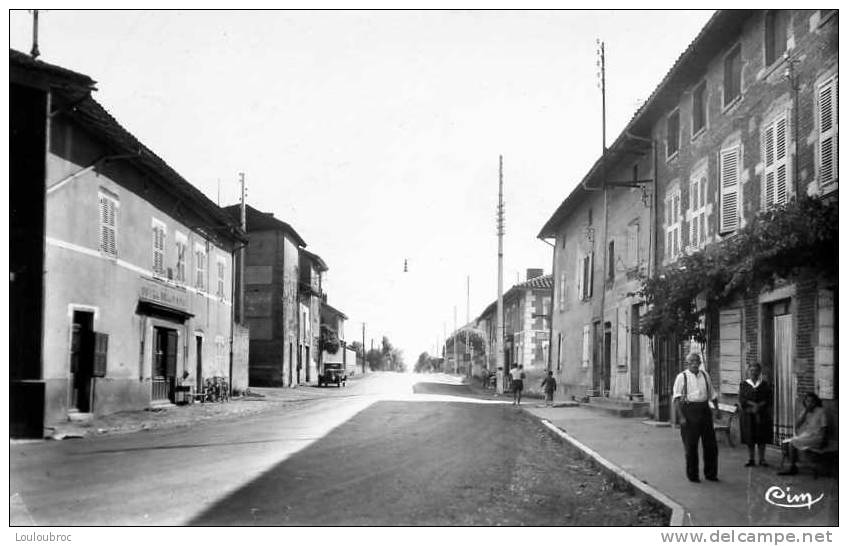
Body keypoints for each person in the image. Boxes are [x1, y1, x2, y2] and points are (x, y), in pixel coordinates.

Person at [672, 352, 719, 483]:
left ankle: (711, 474)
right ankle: (693, 475)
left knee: (710, 445)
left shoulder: (705, 375)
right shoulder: (681, 377)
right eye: (692, 361)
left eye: (697, 361)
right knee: (691, 445)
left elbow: (712, 394)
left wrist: (717, 410)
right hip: (689, 411)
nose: (695, 363)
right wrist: (681, 417)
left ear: (700, 363)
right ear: (687, 363)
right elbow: (676, 399)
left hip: (704, 410)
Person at [777, 392, 828, 476]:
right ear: (805, 402)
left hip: (817, 437)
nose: (810, 403)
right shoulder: (805, 411)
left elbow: (824, 428)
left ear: (816, 402)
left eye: (812, 401)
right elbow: (797, 425)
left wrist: (823, 441)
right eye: (808, 401)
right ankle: (792, 465)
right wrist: (805, 413)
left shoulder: (820, 411)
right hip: (807, 435)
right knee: (785, 442)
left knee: (792, 442)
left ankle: (792, 467)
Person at [738, 362, 773, 467]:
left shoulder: (764, 384)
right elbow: (742, 399)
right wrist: (752, 405)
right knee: (750, 437)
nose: (754, 373)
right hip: (748, 414)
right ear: (748, 372)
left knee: (762, 437)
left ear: (759, 372)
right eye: (752, 370)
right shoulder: (744, 384)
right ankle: (751, 458)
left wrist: (759, 406)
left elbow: (768, 398)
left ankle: (762, 459)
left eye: (756, 370)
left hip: (761, 415)